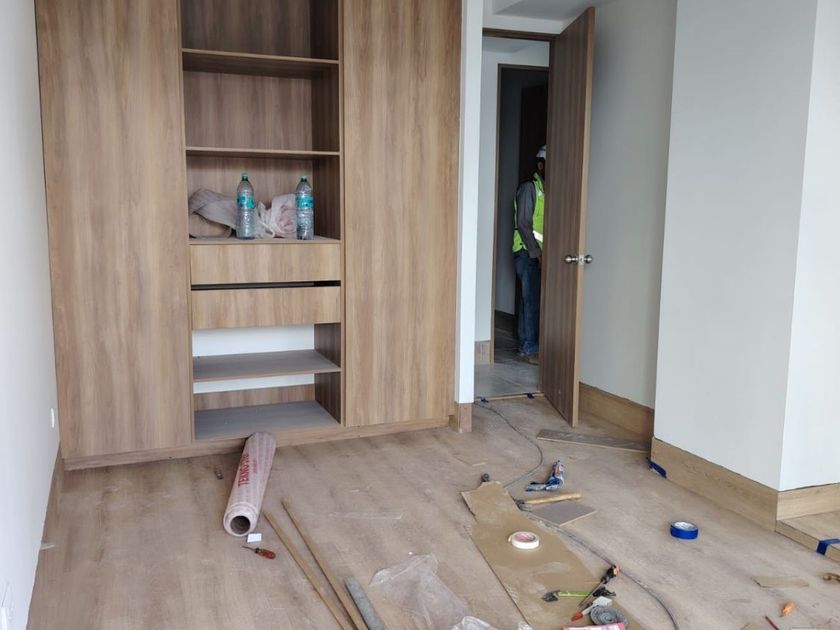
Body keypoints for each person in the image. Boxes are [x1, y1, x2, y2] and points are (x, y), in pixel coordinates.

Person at [512, 145, 546, 365]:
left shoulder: (546, 190)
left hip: (537, 253)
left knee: (530, 299)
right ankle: (530, 348)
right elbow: (524, 223)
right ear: (540, 165)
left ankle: (526, 346)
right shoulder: (530, 188)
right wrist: (536, 253)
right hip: (526, 252)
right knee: (531, 300)